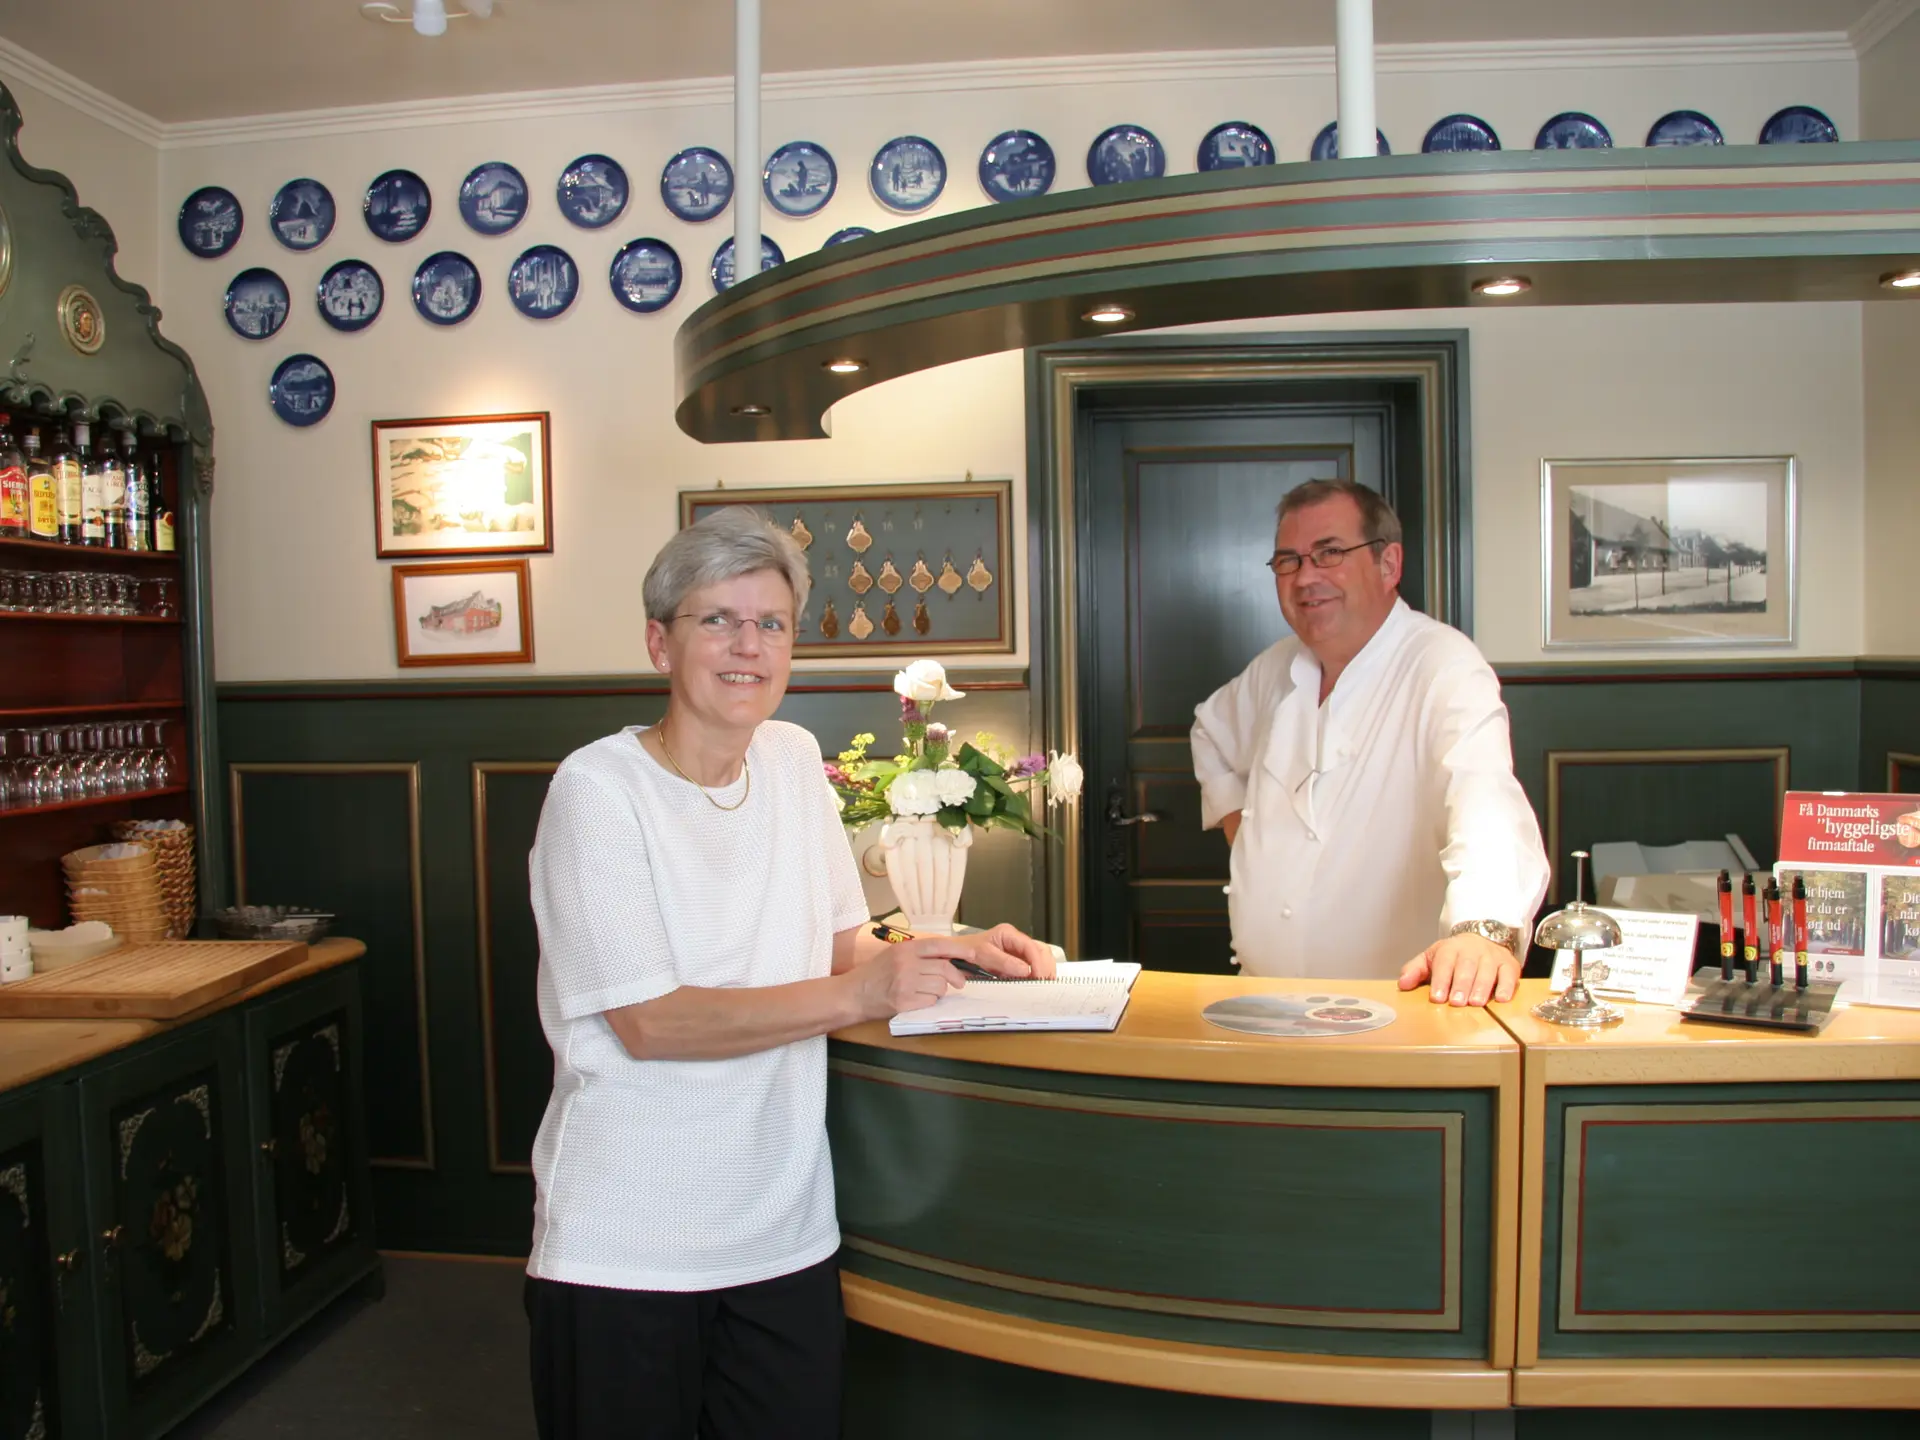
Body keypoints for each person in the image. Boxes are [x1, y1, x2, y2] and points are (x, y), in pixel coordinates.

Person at [523, 508, 1054, 1440]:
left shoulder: (794, 757)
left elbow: (841, 945)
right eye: (718, 620)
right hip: (628, 1243)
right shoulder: (596, 791)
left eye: (771, 624)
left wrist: (951, 950)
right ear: (660, 642)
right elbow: (652, 1023)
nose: (749, 646)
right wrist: (864, 992)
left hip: (782, 1230)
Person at [1190, 479, 1549, 1007]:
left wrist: (1481, 930)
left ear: (1389, 564)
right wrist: (1245, 838)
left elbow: (1484, 797)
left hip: (1389, 1014)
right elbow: (1211, 732)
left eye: (1330, 553)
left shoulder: (1442, 663)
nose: (1305, 577)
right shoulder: (1276, 667)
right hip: (1262, 1001)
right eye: (1288, 561)